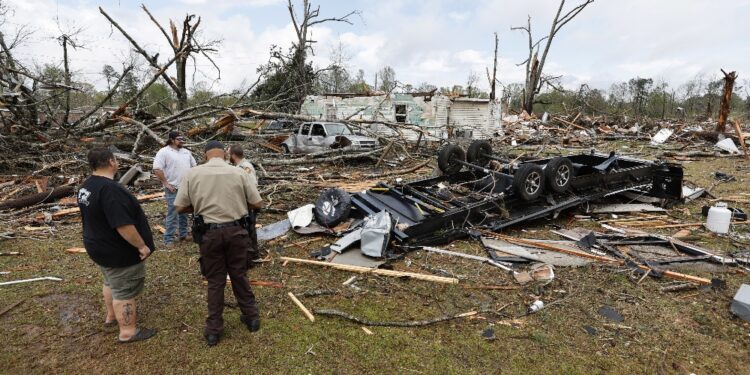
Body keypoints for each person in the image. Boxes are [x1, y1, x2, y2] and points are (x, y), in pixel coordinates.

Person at [174, 141, 264, 346]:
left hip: (210, 234)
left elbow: (179, 207)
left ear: (205, 155)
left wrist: (199, 208)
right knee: (239, 274)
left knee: (215, 281)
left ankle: (214, 330)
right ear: (225, 154)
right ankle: (252, 318)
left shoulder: (192, 174)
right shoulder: (239, 172)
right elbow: (257, 203)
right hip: (236, 231)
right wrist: (238, 204)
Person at [77, 148, 157, 343]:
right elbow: (123, 225)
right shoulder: (110, 190)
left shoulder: (87, 186)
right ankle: (128, 332)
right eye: (116, 159)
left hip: (98, 246)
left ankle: (111, 316)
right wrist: (141, 246)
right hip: (117, 251)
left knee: (110, 281)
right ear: (111, 162)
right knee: (123, 290)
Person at [153, 130, 196, 247]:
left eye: (183, 139)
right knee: (173, 213)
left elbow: (194, 167)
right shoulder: (164, 152)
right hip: (173, 188)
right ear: (172, 140)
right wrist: (166, 183)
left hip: (186, 188)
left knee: (185, 212)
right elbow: (157, 168)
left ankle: (183, 233)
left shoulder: (186, 152)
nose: (182, 141)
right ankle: (169, 239)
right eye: (179, 139)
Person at [227, 145, 260, 262]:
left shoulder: (245, 167)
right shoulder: (238, 167)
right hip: (242, 204)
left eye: (228, 154)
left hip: (248, 205)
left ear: (233, 155)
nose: (227, 156)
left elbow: (251, 187)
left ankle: (252, 255)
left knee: (249, 229)